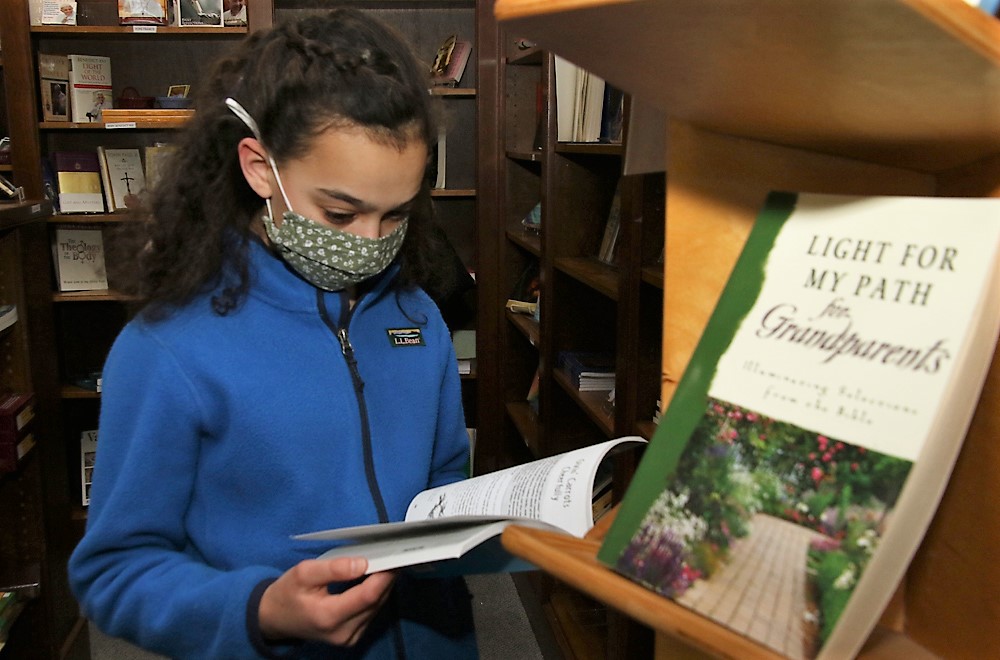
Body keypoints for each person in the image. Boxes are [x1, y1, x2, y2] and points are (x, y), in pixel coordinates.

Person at [68, 9, 477, 659]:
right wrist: (260, 610)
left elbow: (445, 474)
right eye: (339, 211)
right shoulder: (168, 349)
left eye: (395, 213)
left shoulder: (417, 316)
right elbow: (115, 572)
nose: (370, 243)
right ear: (261, 169)